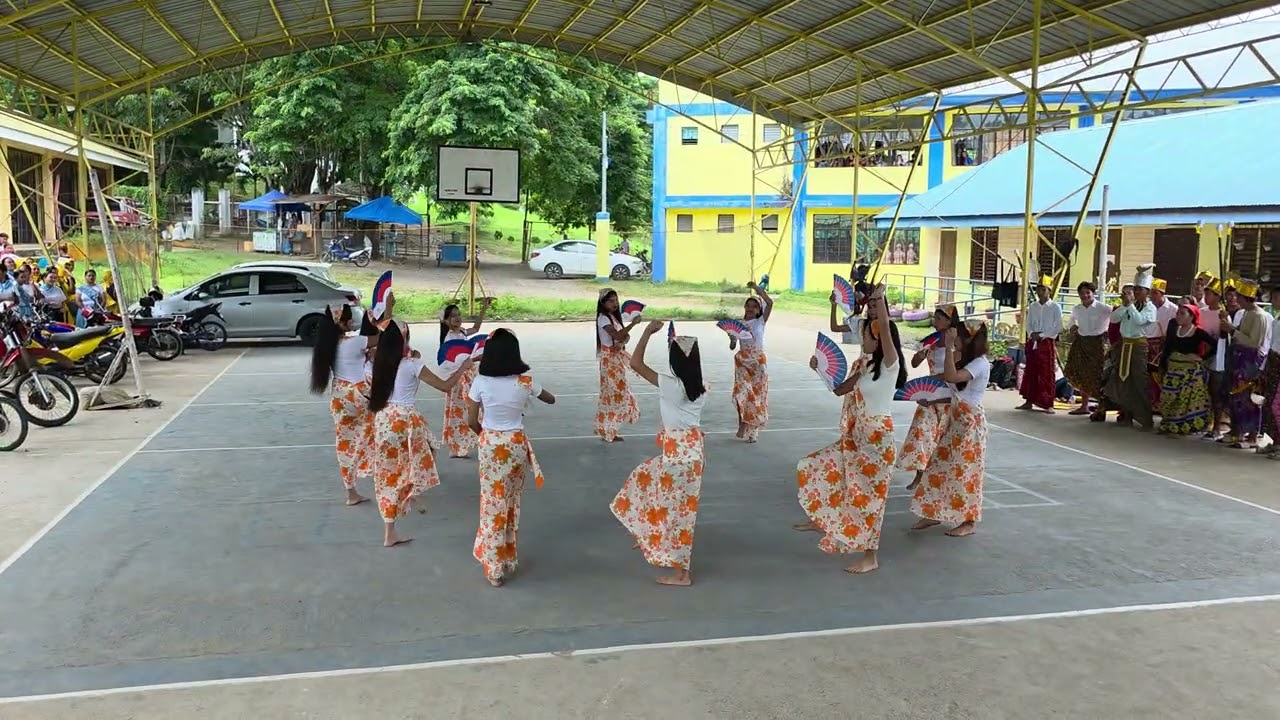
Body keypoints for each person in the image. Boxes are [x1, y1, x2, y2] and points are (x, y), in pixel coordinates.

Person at [797, 283, 905, 573]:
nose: (863, 339)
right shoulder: (865, 367)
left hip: (878, 438)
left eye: (867, 336)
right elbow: (839, 390)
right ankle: (825, 518)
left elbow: (885, 325)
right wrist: (819, 368)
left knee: (871, 498)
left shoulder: (890, 365)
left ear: (879, 340)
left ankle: (870, 556)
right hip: (858, 435)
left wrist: (879, 299)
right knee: (820, 466)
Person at [611, 320, 708, 586]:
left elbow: (635, 364)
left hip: (678, 454)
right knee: (646, 482)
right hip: (691, 450)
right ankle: (648, 532)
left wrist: (646, 332)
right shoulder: (701, 386)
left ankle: (682, 574)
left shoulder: (671, 385)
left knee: (676, 513)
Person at [367, 320, 471, 548]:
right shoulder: (413, 364)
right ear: (404, 339)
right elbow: (445, 386)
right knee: (429, 450)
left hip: (383, 419)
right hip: (406, 420)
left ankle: (390, 530)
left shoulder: (377, 362)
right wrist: (463, 367)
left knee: (388, 474)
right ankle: (412, 488)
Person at [467, 328, 556, 587]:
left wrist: (486, 437)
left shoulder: (481, 382)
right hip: (516, 444)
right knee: (511, 501)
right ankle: (507, 557)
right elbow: (550, 399)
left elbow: (471, 420)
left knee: (492, 503)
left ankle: (494, 567)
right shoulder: (525, 382)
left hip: (491, 444)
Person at [910, 320, 992, 537]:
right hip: (955, 422)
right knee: (938, 466)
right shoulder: (964, 359)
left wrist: (947, 348)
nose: (954, 340)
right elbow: (953, 391)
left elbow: (951, 377)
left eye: (958, 337)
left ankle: (969, 521)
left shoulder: (980, 363)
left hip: (971, 425)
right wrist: (930, 398)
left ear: (968, 339)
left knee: (966, 473)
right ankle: (933, 512)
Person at [310, 301, 382, 506]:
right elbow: (385, 338)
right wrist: (378, 318)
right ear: (339, 323)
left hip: (340, 395)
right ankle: (387, 478)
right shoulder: (355, 342)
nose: (351, 322)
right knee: (380, 432)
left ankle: (351, 492)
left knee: (345, 443)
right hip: (358, 393)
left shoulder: (327, 344)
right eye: (348, 319)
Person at [897, 304, 960, 491]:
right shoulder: (931, 340)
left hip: (948, 392)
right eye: (935, 318)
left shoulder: (957, 342)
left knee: (944, 438)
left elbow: (956, 370)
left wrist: (933, 380)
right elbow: (914, 363)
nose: (935, 321)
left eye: (939, 318)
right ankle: (920, 475)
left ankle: (942, 478)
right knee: (921, 432)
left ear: (949, 321)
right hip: (929, 392)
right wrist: (920, 355)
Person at [1092, 265, 1158, 430]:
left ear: (1147, 292)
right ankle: (1126, 415)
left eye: (1140, 289)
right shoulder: (1129, 305)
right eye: (1135, 289)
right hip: (1124, 345)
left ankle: (1145, 419)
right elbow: (1114, 319)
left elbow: (1140, 321)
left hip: (1137, 346)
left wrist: (1130, 306)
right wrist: (1125, 305)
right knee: (1122, 381)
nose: (1137, 292)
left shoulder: (1150, 308)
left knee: (1139, 381)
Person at [439, 298, 491, 458]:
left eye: (459, 315)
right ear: (445, 320)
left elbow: (475, 328)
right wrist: (475, 358)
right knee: (460, 413)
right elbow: (453, 363)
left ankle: (464, 445)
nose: (457, 318)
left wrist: (483, 308)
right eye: (453, 316)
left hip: (467, 376)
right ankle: (459, 446)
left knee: (467, 411)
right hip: (457, 379)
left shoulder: (461, 332)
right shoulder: (448, 338)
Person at [1222, 279, 1269, 449]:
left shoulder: (1259, 316)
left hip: (1250, 362)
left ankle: (1252, 436)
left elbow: (1254, 342)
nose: (1237, 299)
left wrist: (1232, 330)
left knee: (1248, 398)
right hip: (1239, 359)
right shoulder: (1246, 313)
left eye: (1239, 296)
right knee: (1237, 398)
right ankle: (1239, 431)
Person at [1157, 303, 1213, 436]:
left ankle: (1184, 425)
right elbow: (1167, 348)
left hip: (1190, 372)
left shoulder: (1198, 332)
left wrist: (1202, 357)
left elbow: (1215, 344)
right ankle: (1170, 423)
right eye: (1178, 313)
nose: (1178, 316)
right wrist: (1163, 365)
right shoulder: (1174, 330)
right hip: (1173, 370)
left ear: (1191, 317)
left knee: (1186, 399)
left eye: (1182, 314)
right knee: (1169, 397)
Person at [595, 288, 642, 442]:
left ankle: (609, 429)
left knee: (615, 394)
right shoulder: (603, 319)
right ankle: (607, 429)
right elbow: (617, 334)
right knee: (614, 395)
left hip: (615, 359)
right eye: (611, 301)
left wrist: (621, 342)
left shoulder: (613, 318)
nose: (614, 303)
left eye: (615, 300)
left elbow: (625, 336)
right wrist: (633, 324)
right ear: (603, 303)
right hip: (609, 361)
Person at [730, 280, 773, 442]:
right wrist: (732, 338)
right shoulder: (739, 325)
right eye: (748, 305)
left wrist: (757, 289)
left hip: (758, 362)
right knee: (741, 392)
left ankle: (753, 430)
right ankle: (742, 423)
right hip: (742, 361)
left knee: (757, 396)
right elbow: (733, 346)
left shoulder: (760, 322)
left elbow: (770, 303)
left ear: (759, 310)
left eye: (754, 306)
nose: (750, 308)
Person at [1064, 281, 1111, 415]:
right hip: (1081, 343)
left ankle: (1101, 406)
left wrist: (1108, 332)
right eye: (1082, 293)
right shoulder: (1077, 308)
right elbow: (1070, 322)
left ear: (1093, 293)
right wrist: (1073, 327)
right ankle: (1084, 405)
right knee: (1080, 373)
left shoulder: (1103, 307)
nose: (1085, 295)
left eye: (1087, 292)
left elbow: (1116, 317)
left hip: (1097, 344)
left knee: (1098, 374)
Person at [1017, 275, 1063, 413]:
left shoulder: (1055, 307)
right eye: (1038, 289)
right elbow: (1028, 323)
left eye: (1043, 289)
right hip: (1033, 341)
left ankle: (1048, 403)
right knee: (1031, 370)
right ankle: (1029, 400)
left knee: (1046, 372)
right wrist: (1031, 333)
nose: (1040, 292)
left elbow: (1058, 327)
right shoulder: (1033, 306)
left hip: (1046, 342)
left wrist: (1042, 335)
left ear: (1049, 291)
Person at [1144, 278, 1179, 409]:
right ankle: (1152, 401)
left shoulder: (1173, 309)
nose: (1152, 296)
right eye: (1151, 292)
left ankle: (1161, 402)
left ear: (1162, 293)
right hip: (1147, 343)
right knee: (1148, 374)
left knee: (1160, 373)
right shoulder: (1147, 307)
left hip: (1163, 345)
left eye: (1155, 293)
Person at [1260, 286, 1280, 458]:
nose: (1273, 301)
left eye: (1276, 298)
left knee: (1276, 406)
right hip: (1273, 364)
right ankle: (1275, 442)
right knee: (1268, 403)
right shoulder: (1276, 320)